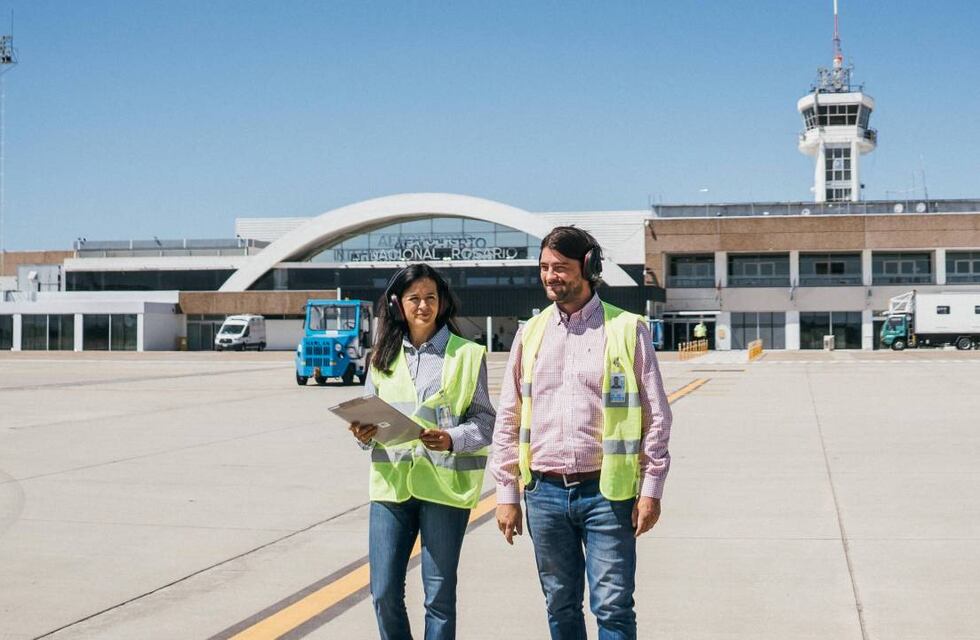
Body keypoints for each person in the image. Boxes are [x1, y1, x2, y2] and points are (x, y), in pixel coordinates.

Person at [491, 227, 673, 640]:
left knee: (612, 606)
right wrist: (506, 494)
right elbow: (509, 417)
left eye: (560, 267)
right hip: (544, 493)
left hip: (607, 493)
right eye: (544, 267)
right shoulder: (530, 332)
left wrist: (651, 489)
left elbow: (656, 415)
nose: (550, 276)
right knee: (559, 603)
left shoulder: (626, 329)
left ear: (588, 267)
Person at [348, 263, 495, 640]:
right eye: (414, 298)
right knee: (383, 593)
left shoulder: (467, 355)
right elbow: (369, 419)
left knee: (439, 598)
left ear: (442, 302)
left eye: (431, 297)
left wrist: (452, 438)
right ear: (397, 304)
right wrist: (363, 433)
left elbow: (485, 422)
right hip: (391, 487)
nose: (423, 306)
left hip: (444, 490)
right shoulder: (381, 356)